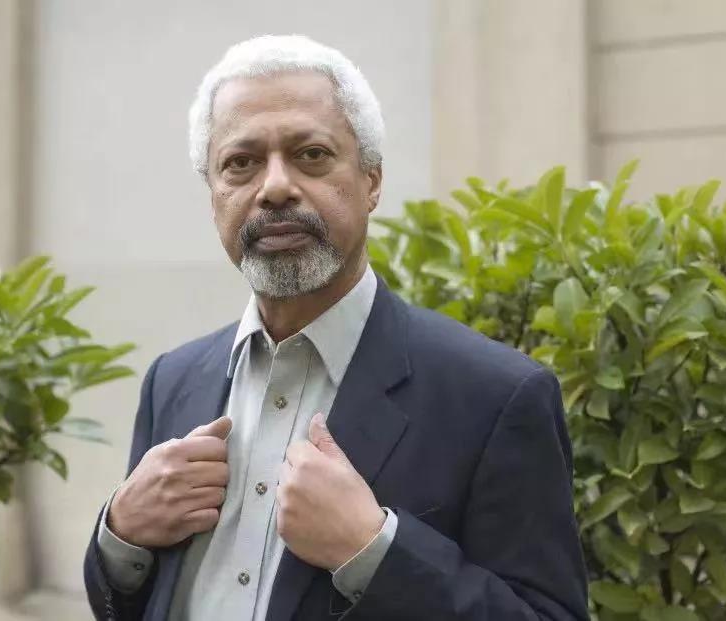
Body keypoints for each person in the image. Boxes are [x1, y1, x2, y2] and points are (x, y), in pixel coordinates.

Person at [83, 34, 589, 621]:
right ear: (214, 194)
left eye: (311, 154)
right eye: (240, 163)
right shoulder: (172, 380)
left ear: (372, 181)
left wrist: (374, 551)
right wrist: (121, 533)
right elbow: (126, 600)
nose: (274, 187)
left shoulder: (495, 396)